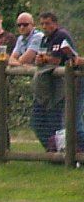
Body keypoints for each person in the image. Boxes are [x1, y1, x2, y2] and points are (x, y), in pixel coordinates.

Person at [34, 11, 78, 150]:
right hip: (45, 88)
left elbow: (57, 60)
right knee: (36, 122)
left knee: (57, 123)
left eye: (47, 23)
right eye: (42, 24)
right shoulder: (44, 39)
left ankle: (62, 151)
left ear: (55, 23)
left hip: (60, 87)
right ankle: (52, 150)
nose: (44, 27)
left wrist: (45, 58)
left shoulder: (61, 35)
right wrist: (39, 60)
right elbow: (41, 58)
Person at [13, 11, 54, 147]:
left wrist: (19, 62)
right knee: (38, 122)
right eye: (19, 25)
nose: (22, 27)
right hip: (38, 85)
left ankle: (58, 150)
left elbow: (24, 59)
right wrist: (19, 62)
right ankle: (52, 150)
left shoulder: (38, 37)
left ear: (32, 25)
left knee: (48, 122)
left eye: (25, 24)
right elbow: (12, 59)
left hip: (49, 84)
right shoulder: (20, 39)